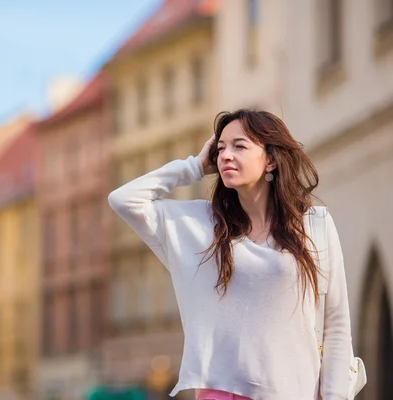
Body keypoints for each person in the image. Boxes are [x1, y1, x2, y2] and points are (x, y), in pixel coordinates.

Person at [107, 109, 354, 400]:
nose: (225, 155)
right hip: (222, 393)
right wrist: (195, 165)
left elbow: (337, 326)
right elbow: (123, 200)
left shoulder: (315, 225)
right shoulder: (201, 225)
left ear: (271, 159)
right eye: (220, 148)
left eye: (239, 146)